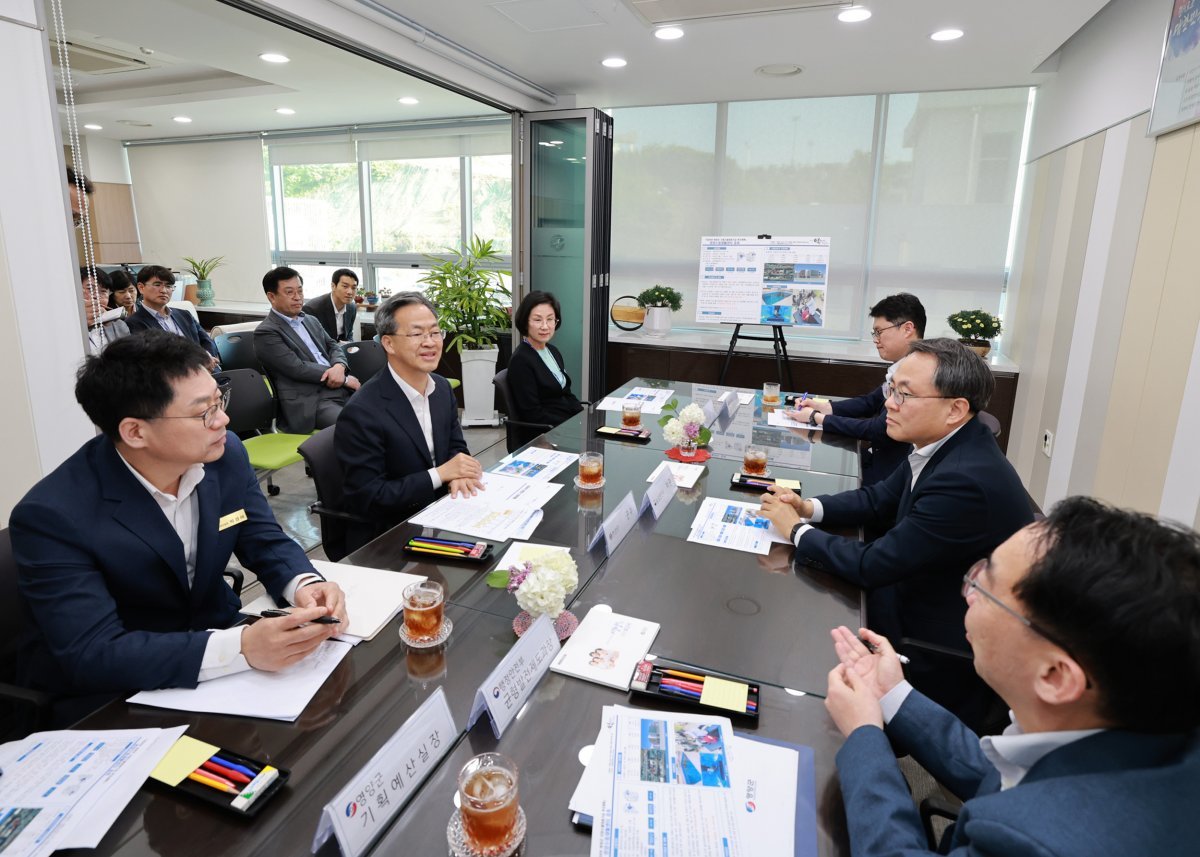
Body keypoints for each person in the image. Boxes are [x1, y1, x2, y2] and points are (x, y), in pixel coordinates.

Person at [824, 497, 1200, 856]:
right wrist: (891, 692)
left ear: (1054, 676)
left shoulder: (1040, 841)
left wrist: (864, 736)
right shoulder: (1140, 737)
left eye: (988, 588)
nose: (969, 593)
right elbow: (1003, 772)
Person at [10, 332, 347, 724]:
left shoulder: (224, 454)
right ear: (135, 431)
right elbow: (93, 653)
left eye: (219, 402)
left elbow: (262, 537)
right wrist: (239, 648)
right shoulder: (53, 516)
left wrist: (304, 584)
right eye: (203, 412)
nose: (223, 420)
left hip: (220, 653)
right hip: (118, 693)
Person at [760, 338, 1032, 731]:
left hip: (936, 639)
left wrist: (797, 531)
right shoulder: (942, 444)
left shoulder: (964, 479)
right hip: (915, 589)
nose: (889, 403)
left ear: (956, 409)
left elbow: (873, 565)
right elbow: (877, 500)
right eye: (892, 389)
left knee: (791, 642)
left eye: (904, 394)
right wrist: (809, 507)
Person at [337, 291, 483, 550]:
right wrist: (441, 474)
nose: (430, 342)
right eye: (417, 334)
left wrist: (458, 476)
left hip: (441, 513)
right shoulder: (362, 411)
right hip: (389, 535)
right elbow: (369, 497)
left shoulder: (441, 388)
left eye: (435, 332)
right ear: (389, 344)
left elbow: (455, 448)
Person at [788, 293, 925, 485]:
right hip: (878, 463)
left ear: (907, 329)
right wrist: (824, 406)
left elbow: (879, 430)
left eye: (879, 331)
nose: (875, 339)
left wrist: (816, 418)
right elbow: (869, 402)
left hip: (889, 478)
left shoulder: (918, 374)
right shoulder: (903, 366)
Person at [254, 266, 359, 433]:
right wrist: (343, 378)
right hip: (311, 401)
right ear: (271, 297)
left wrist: (339, 366)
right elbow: (297, 368)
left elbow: (333, 346)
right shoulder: (266, 332)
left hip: (339, 388)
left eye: (300, 291)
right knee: (355, 426)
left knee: (385, 412)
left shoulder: (310, 320)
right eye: (290, 293)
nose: (298, 298)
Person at [506, 291, 583, 431]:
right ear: (525, 322)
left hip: (565, 425)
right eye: (537, 320)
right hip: (545, 434)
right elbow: (532, 414)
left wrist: (584, 419)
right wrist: (571, 426)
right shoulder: (521, 360)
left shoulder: (552, 351)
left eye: (550, 319)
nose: (545, 326)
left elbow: (566, 393)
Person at [126, 265, 221, 368]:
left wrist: (207, 357)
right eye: (157, 284)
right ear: (141, 287)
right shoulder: (133, 322)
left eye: (169, 286)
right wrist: (197, 363)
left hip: (208, 369)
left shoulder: (184, 314)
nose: (164, 290)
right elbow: (156, 358)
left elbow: (207, 341)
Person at [80, 266, 129, 355]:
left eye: (103, 291)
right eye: (90, 289)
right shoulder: (70, 325)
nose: (97, 296)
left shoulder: (118, 325)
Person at [303, 267, 359, 342]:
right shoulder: (312, 309)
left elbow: (349, 334)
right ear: (333, 286)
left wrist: (349, 346)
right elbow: (312, 342)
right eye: (345, 286)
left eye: (353, 288)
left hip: (340, 350)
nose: (350, 292)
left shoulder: (351, 307)